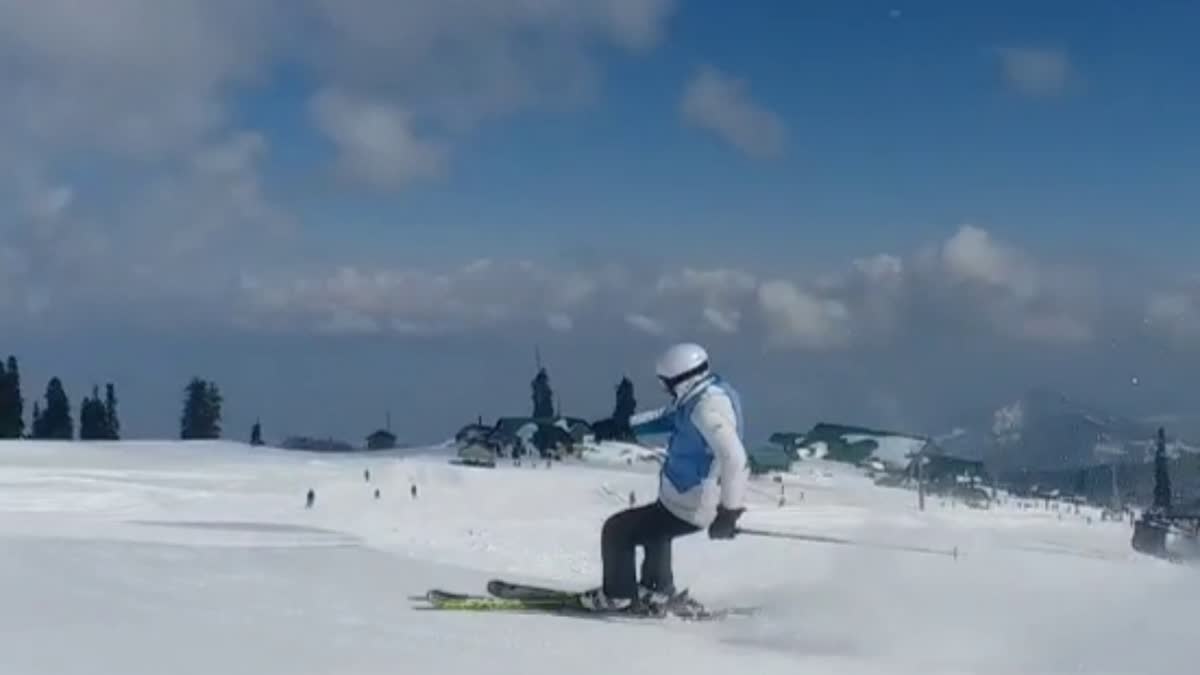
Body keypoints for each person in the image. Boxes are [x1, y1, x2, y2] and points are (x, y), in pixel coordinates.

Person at [579, 342, 748, 613]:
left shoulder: (706, 409)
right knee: (655, 528)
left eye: (666, 383)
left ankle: (618, 596)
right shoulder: (702, 396)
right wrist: (622, 426)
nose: (665, 389)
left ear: (680, 380)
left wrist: (729, 512)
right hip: (681, 498)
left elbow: (735, 458)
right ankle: (656, 589)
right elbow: (666, 417)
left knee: (617, 531)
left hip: (693, 502)